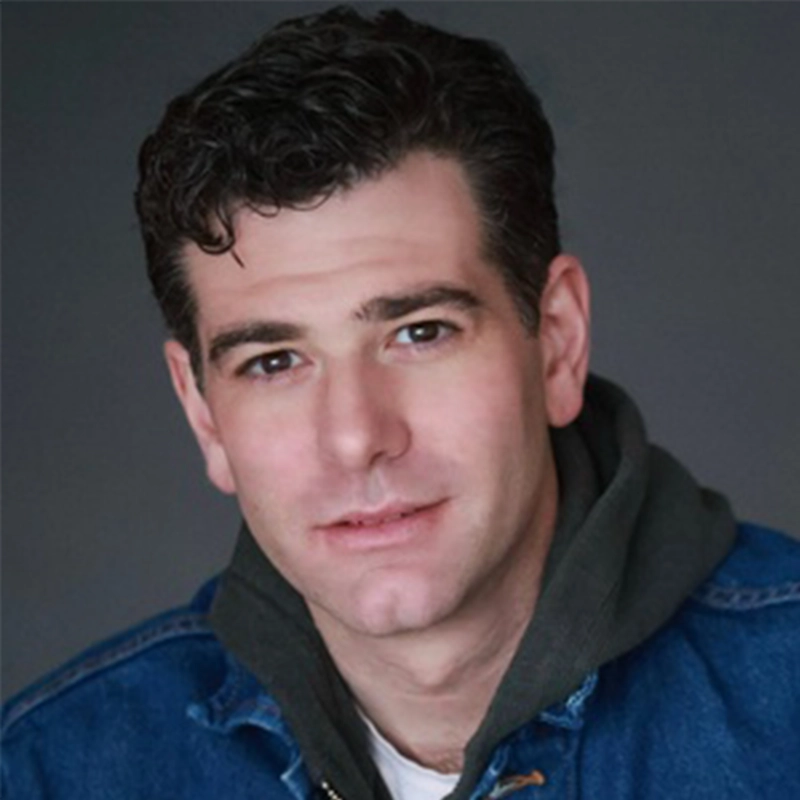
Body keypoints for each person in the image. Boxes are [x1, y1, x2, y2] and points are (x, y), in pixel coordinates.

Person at [3, 6, 798, 799]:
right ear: (203, 412)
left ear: (556, 341)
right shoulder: (53, 771)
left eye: (420, 333)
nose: (356, 437)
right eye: (274, 361)